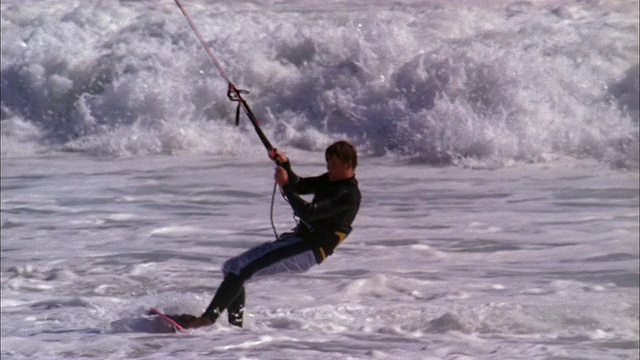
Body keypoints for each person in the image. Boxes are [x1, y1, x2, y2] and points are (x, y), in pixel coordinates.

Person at [168, 140, 361, 329]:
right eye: (327, 164)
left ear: (348, 165)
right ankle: (235, 328)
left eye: (333, 165)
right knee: (233, 268)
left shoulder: (349, 195)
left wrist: (285, 186)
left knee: (239, 270)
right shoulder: (331, 180)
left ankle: (206, 320)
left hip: (309, 250)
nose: (328, 169)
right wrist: (284, 163)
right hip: (298, 241)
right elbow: (299, 185)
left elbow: (308, 213)